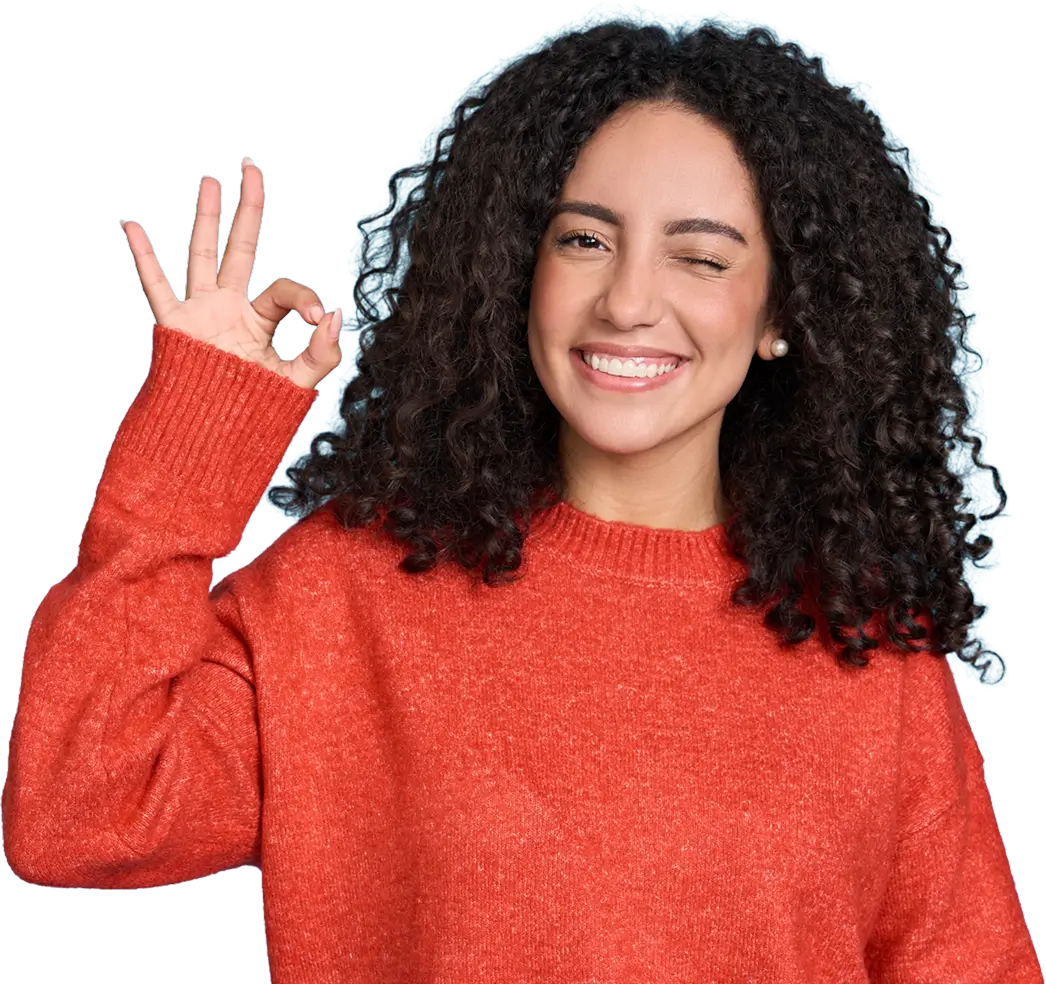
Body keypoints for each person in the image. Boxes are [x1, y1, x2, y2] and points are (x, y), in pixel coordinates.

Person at [5, 11, 1035, 984]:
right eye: (582, 240)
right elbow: (83, 809)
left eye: (699, 257)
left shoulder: (861, 647)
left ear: (782, 314)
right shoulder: (352, 589)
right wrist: (192, 446)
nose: (627, 301)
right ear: (515, 271)